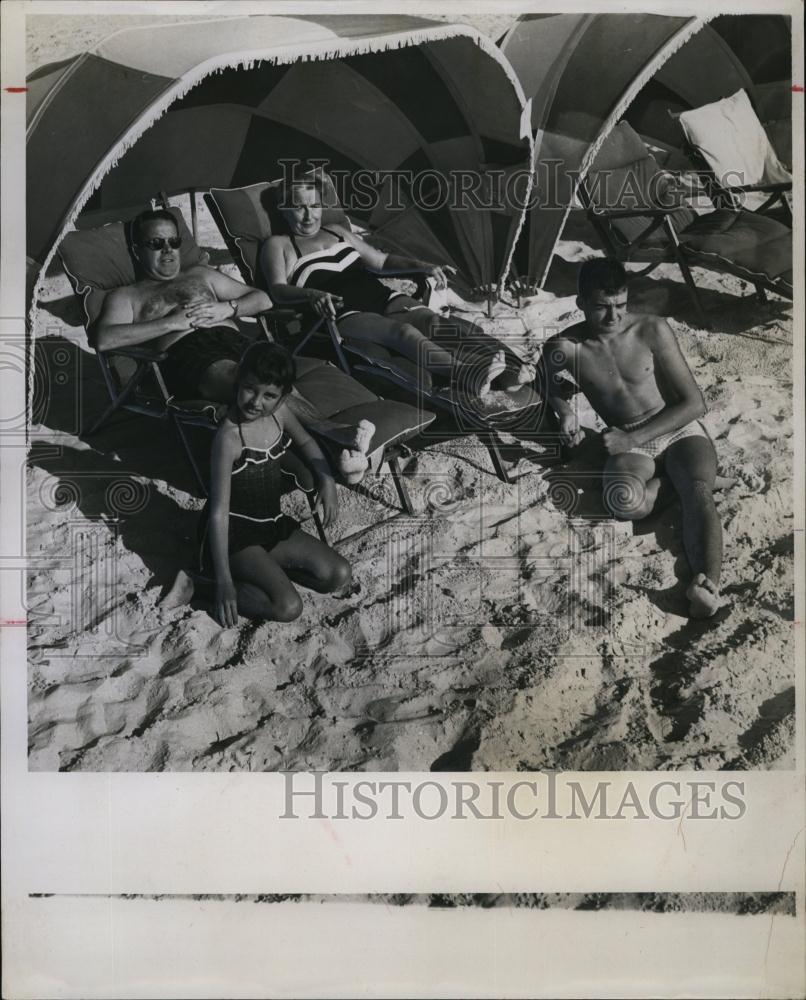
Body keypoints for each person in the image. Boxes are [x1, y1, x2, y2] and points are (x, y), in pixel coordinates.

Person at [95, 208, 375, 481]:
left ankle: (339, 452)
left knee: (276, 382)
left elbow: (262, 299)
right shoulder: (126, 296)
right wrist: (173, 323)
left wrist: (227, 308)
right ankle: (337, 435)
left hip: (235, 340)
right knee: (252, 382)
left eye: (174, 242)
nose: (168, 250)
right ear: (136, 250)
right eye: (156, 244)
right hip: (188, 353)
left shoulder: (201, 275)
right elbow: (105, 339)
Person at [259, 175, 536, 410]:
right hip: (340, 311)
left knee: (434, 322)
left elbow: (380, 262)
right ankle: (467, 373)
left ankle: (508, 372)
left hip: (379, 295)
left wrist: (422, 266)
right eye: (298, 207)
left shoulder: (337, 232)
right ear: (284, 209)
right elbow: (278, 290)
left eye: (315, 205)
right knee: (403, 333)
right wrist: (311, 296)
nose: (309, 215)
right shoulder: (279, 245)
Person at [543, 258, 723, 619]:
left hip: (676, 427)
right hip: (629, 439)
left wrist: (630, 440)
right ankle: (681, 479)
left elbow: (694, 404)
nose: (613, 316)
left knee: (699, 494)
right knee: (624, 503)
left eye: (620, 305)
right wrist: (565, 413)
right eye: (602, 307)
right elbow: (547, 383)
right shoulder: (565, 347)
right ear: (580, 303)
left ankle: (707, 585)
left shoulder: (651, 330)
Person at [165, 341, 352, 625]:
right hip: (235, 536)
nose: (256, 402)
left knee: (337, 574)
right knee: (288, 607)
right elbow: (218, 512)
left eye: (269, 395)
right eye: (250, 388)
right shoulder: (229, 438)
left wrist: (326, 480)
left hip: (270, 524)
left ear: (282, 397)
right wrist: (225, 582)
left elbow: (306, 441)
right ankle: (200, 583)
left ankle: (261, 571)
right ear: (237, 380)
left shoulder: (279, 415)